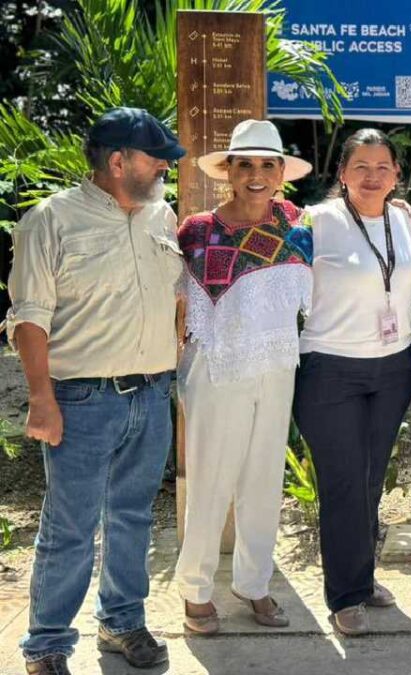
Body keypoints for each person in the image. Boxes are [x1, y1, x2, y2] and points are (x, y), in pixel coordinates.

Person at [9, 107, 184, 674]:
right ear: (118, 161)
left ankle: (123, 621)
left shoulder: (162, 216)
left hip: (151, 395)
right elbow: (29, 318)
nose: (165, 167)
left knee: (133, 517)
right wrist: (42, 399)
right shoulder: (50, 220)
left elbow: (174, 297)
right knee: (70, 527)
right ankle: (47, 645)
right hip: (81, 401)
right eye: (156, 158)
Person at [173, 119, 313, 634]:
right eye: (245, 164)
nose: (257, 174)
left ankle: (254, 584)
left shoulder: (299, 227)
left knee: (263, 480)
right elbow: (176, 303)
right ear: (229, 171)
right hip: (217, 368)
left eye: (267, 165)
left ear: (281, 173)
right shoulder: (196, 231)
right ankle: (195, 589)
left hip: (276, 368)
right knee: (210, 481)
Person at [293, 129, 411, 635]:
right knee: (343, 481)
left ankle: (362, 578)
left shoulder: (403, 220)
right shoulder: (315, 221)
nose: (372, 176)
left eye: (382, 167)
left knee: (370, 479)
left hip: (393, 367)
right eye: (361, 167)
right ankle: (345, 595)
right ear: (342, 174)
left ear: (396, 175)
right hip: (331, 368)